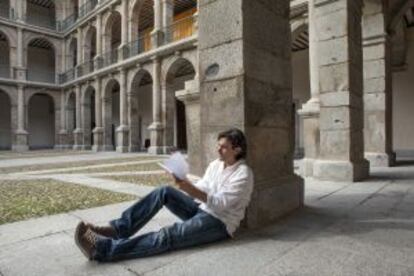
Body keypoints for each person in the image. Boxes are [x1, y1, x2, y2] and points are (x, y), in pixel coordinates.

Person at [74, 128, 254, 262]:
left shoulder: (244, 174)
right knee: (164, 192)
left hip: (219, 223)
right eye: (218, 145)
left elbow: (220, 204)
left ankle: (102, 249)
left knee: (168, 235)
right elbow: (204, 186)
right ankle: (117, 231)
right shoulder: (216, 164)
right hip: (202, 209)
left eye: (223, 147)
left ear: (237, 150)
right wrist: (183, 181)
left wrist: (190, 189)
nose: (218, 149)